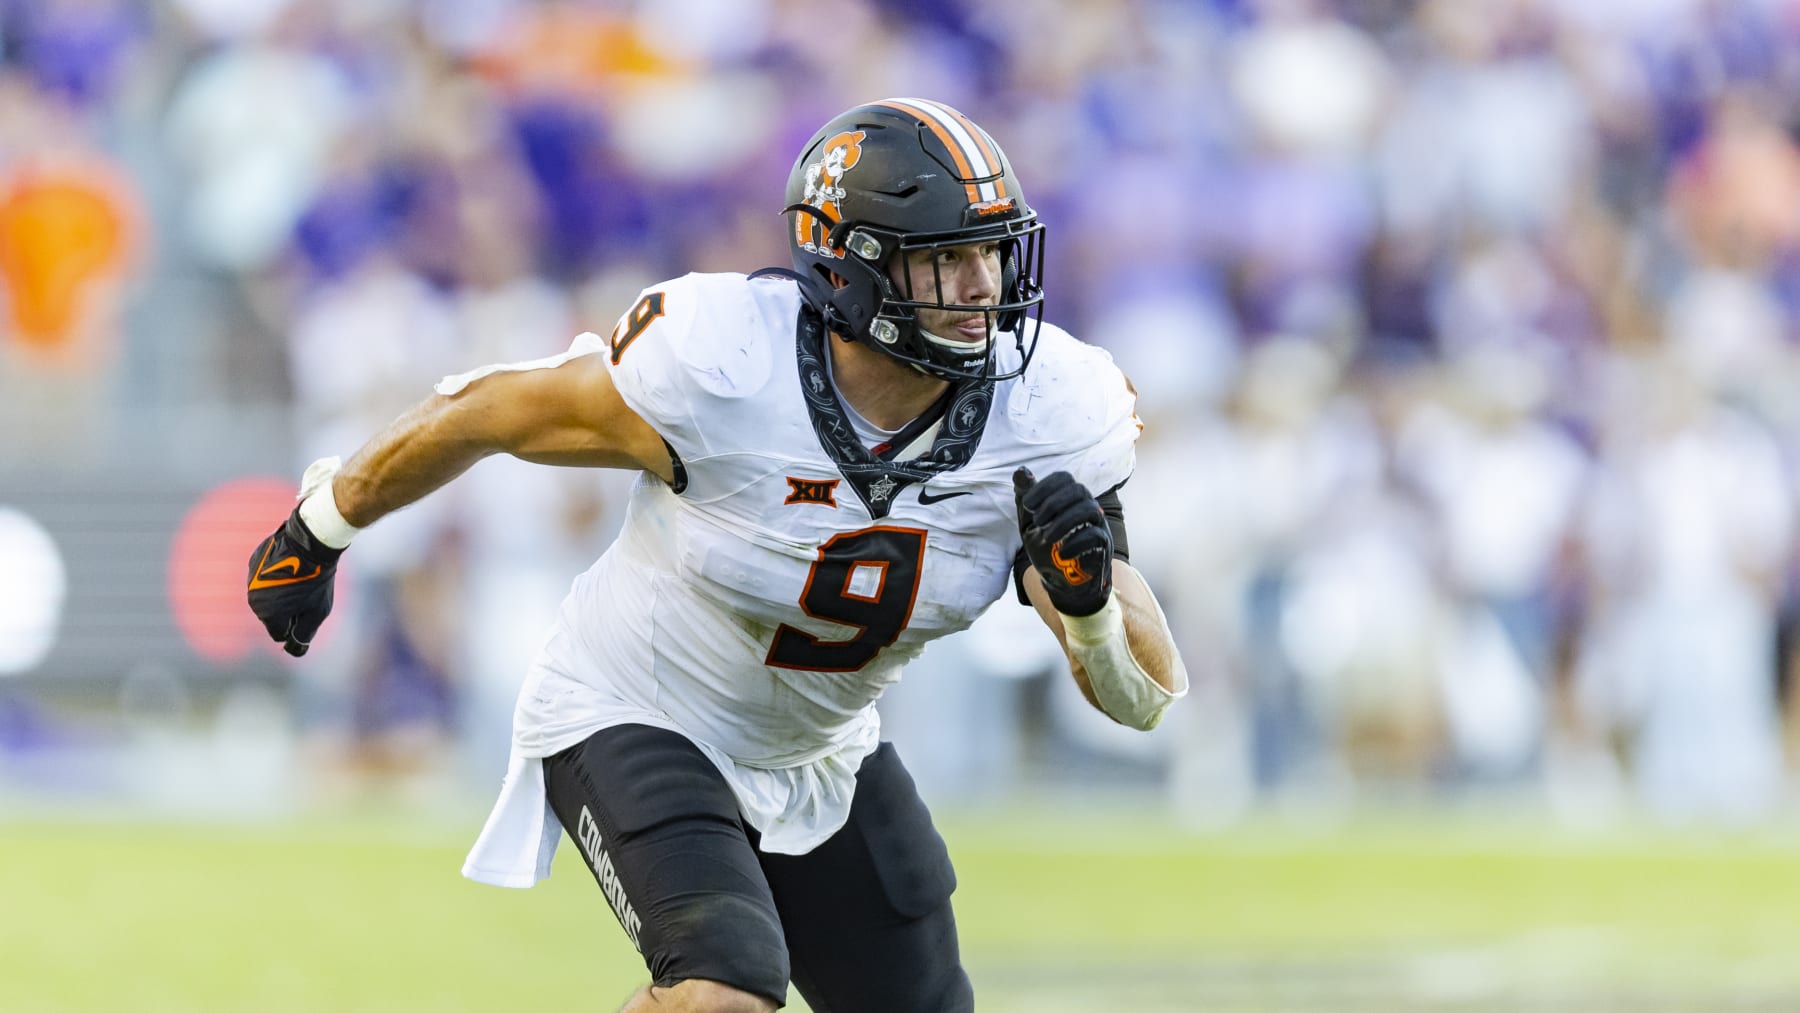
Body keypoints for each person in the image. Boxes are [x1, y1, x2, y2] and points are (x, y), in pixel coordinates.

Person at [247, 97, 1188, 1013]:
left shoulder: (1047, 410)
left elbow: (1139, 700)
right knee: (722, 984)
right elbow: (488, 409)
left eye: (989, 249)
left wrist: (1093, 608)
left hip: (822, 749)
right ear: (854, 269)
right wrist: (317, 528)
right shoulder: (724, 366)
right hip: (639, 702)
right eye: (947, 258)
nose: (984, 284)